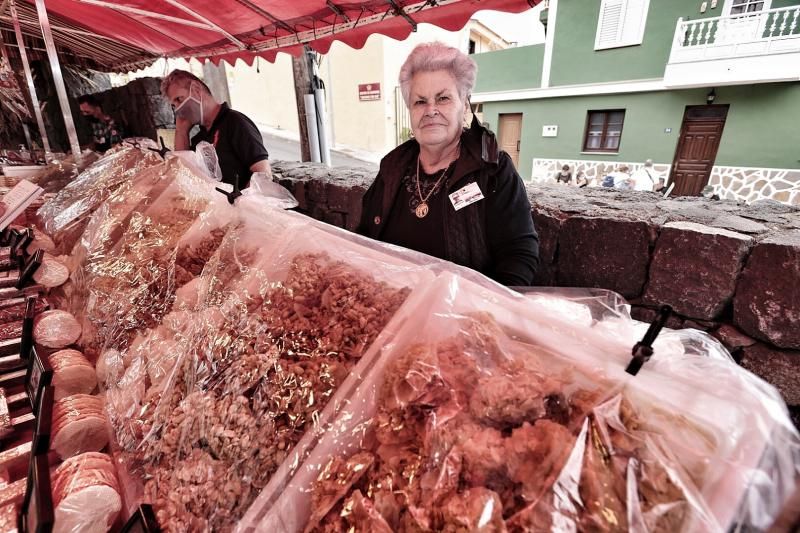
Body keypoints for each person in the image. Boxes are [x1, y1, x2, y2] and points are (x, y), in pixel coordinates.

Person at [358, 42, 539, 287]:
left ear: (464, 106)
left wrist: (487, 314)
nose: (431, 110)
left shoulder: (492, 170)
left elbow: (518, 256)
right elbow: (363, 237)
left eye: (443, 98)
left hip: (462, 314)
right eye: (420, 102)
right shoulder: (393, 166)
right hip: (388, 308)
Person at [160, 70, 271, 189]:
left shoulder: (235, 122)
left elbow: (263, 174)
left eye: (179, 100)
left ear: (196, 89)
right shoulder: (200, 138)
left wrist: (240, 201)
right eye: (174, 105)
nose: (177, 109)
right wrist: (181, 132)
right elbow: (184, 174)